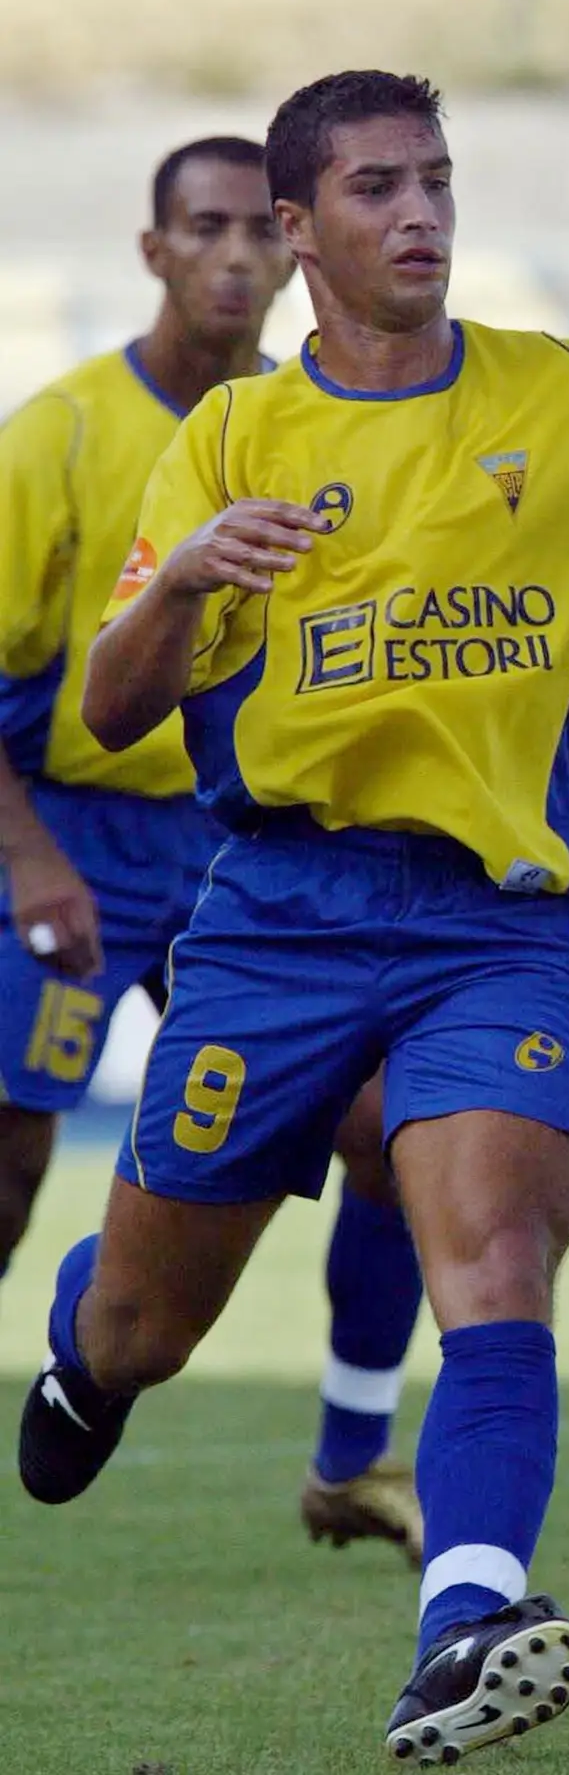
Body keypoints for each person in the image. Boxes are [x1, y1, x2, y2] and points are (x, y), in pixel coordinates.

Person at [18, 69, 569, 1767]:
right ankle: (85, 1350)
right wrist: (195, 571)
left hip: (490, 922)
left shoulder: (566, 397)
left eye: (436, 180)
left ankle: (469, 1617)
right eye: (375, 189)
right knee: (150, 1320)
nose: (420, 214)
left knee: (497, 1252)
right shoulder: (228, 441)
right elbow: (116, 704)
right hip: (274, 915)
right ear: (299, 232)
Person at [0, 135, 426, 1564]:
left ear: (297, 246)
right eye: (206, 228)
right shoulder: (58, 435)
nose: (238, 257)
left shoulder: (328, 425)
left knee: (392, 1127)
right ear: (156, 251)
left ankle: (355, 1456)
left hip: (243, 846)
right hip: (62, 830)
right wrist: (33, 866)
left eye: (260, 229)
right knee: (9, 1164)